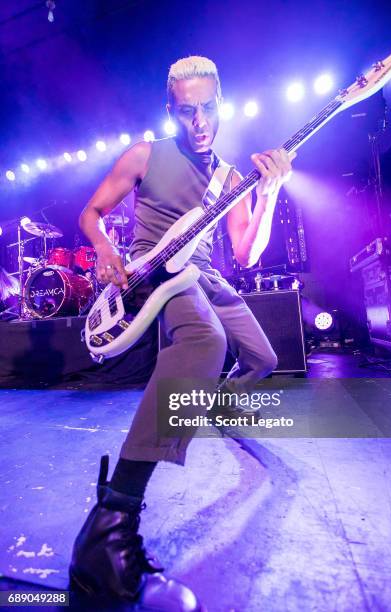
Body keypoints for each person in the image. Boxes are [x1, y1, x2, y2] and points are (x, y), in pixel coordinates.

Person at [70, 56, 294, 609]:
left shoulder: (232, 177)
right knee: (204, 341)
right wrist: (104, 250)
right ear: (170, 109)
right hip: (156, 271)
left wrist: (267, 195)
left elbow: (247, 251)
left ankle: (210, 405)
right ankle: (111, 524)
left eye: (208, 109)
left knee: (264, 358)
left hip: (205, 271)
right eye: (187, 111)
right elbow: (91, 215)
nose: (199, 122)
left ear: (222, 105)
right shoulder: (145, 155)